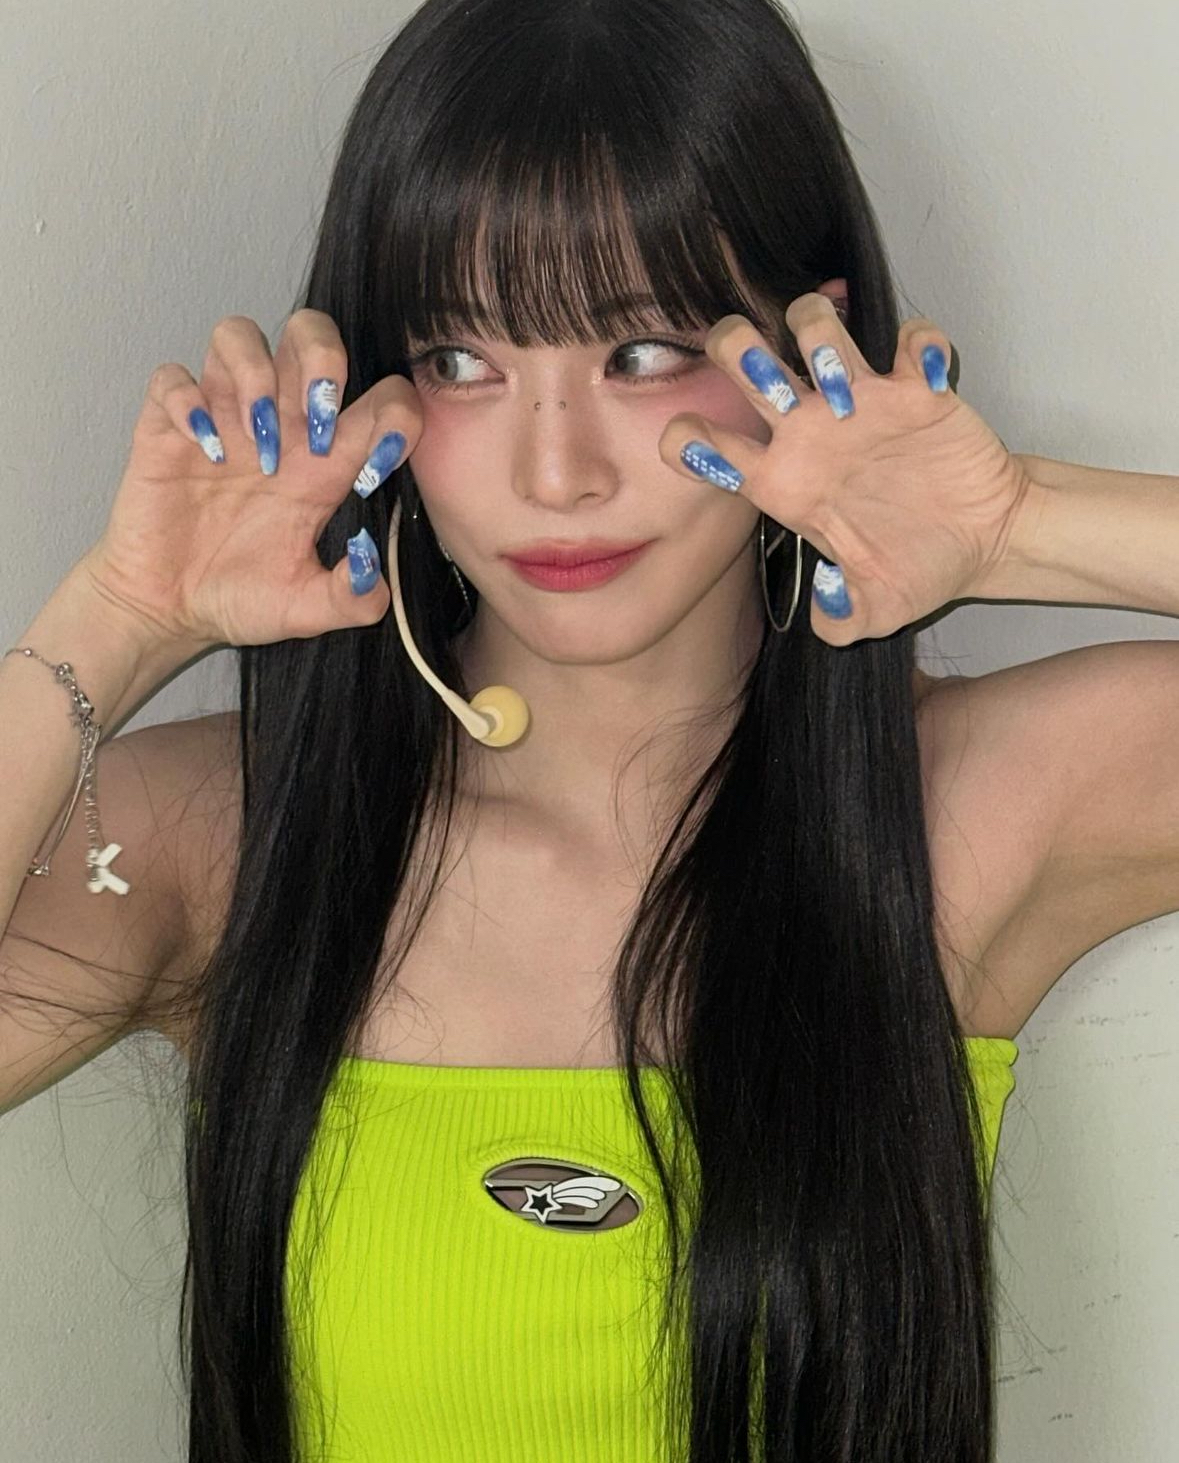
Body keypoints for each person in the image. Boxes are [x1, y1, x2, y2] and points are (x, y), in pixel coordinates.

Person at [4, 1, 1178, 1459]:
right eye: (460, 362)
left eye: (643, 351)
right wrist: (120, 617)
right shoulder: (229, 839)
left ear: (809, 346)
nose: (554, 473)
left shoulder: (966, 813)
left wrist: (1014, 525)